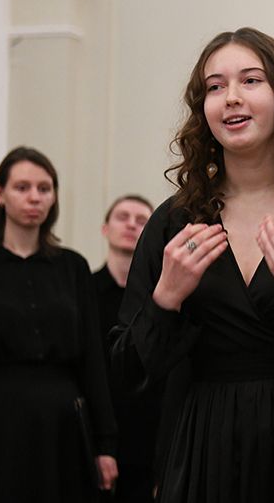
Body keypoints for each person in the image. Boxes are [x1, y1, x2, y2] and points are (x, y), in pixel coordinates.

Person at [111, 27, 274, 503]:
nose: (231, 97)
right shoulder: (175, 222)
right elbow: (128, 373)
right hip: (207, 446)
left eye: (250, 80)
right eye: (215, 87)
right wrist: (165, 298)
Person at [0, 146, 118, 501]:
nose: (35, 198)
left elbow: (93, 359)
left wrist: (105, 444)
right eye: (22, 187)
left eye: (44, 189)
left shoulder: (73, 267)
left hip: (62, 422)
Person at [94, 194, 161, 502]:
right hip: (99, 435)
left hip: (149, 436)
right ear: (105, 228)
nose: (132, 225)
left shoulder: (162, 296)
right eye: (123, 217)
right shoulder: (85, 290)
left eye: (141, 220)